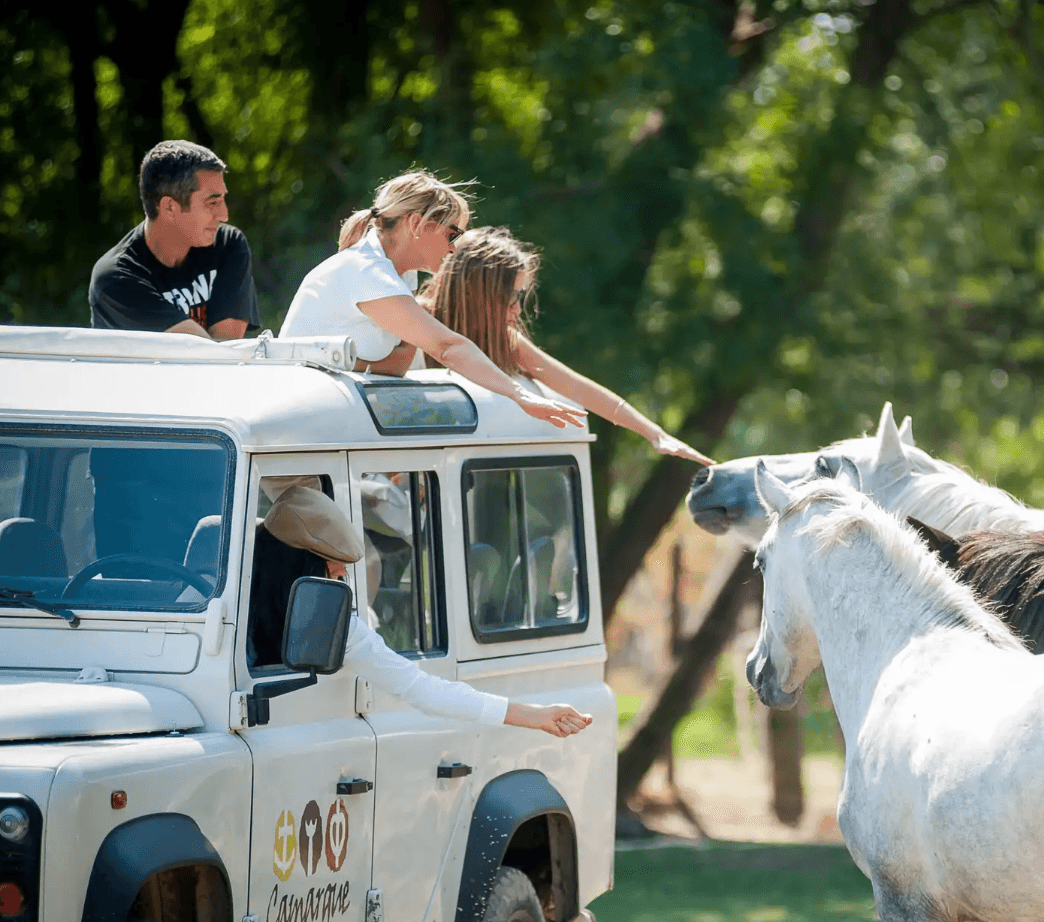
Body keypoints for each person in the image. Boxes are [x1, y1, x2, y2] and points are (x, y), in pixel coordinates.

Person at [249, 484, 592, 736]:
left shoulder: (336, 623)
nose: (341, 578)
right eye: (332, 567)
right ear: (297, 566)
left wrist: (532, 714)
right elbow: (420, 689)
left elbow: (420, 686)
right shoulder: (224, 602)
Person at [279, 171, 584, 430]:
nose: (454, 249)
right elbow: (448, 347)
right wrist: (520, 395)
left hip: (322, 427)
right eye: (451, 235)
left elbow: (398, 366)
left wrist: (358, 363)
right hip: (297, 430)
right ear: (415, 224)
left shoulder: (397, 275)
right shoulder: (369, 273)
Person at [421, 226, 713, 465]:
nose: (517, 310)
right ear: (478, 293)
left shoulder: (505, 341)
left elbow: (574, 386)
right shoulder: (413, 321)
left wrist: (655, 434)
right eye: (511, 297)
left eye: (520, 297)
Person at [89, 140, 261, 339]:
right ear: (170, 207)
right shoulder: (115, 278)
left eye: (223, 199)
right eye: (212, 202)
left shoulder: (227, 245)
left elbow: (226, 349)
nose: (224, 215)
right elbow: (206, 354)